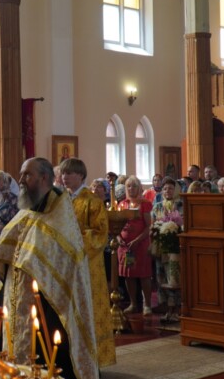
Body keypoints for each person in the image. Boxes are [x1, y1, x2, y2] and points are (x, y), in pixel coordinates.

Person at [0, 157, 106, 379]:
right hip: (18, 308)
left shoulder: (61, 218)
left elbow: (66, 263)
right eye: (21, 174)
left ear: (44, 178)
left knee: (48, 362)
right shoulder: (27, 213)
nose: (21, 180)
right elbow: (9, 251)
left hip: (50, 311)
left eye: (26, 175)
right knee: (17, 361)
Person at [59, 157, 116, 367]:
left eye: (69, 173)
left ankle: (92, 361)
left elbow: (100, 234)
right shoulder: (61, 200)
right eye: (63, 173)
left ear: (81, 175)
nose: (65, 177)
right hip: (65, 263)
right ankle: (70, 359)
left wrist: (74, 240)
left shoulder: (92, 201)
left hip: (87, 264)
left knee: (88, 309)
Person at [118, 176, 154, 316]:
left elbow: (148, 226)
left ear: (139, 188)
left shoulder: (145, 204)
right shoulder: (122, 204)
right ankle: (133, 304)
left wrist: (137, 240)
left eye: (134, 186)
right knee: (129, 275)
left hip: (141, 244)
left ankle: (147, 305)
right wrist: (118, 238)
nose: (131, 189)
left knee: (144, 275)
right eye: (128, 186)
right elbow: (117, 224)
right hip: (125, 246)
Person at [151, 178, 184, 323]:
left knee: (174, 277)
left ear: (175, 190)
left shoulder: (181, 204)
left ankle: (176, 308)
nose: (167, 191)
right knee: (161, 276)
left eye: (170, 188)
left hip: (175, 246)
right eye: (165, 189)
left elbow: (183, 223)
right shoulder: (157, 206)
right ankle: (166, 309)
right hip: (161, 246)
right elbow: (152, 225)